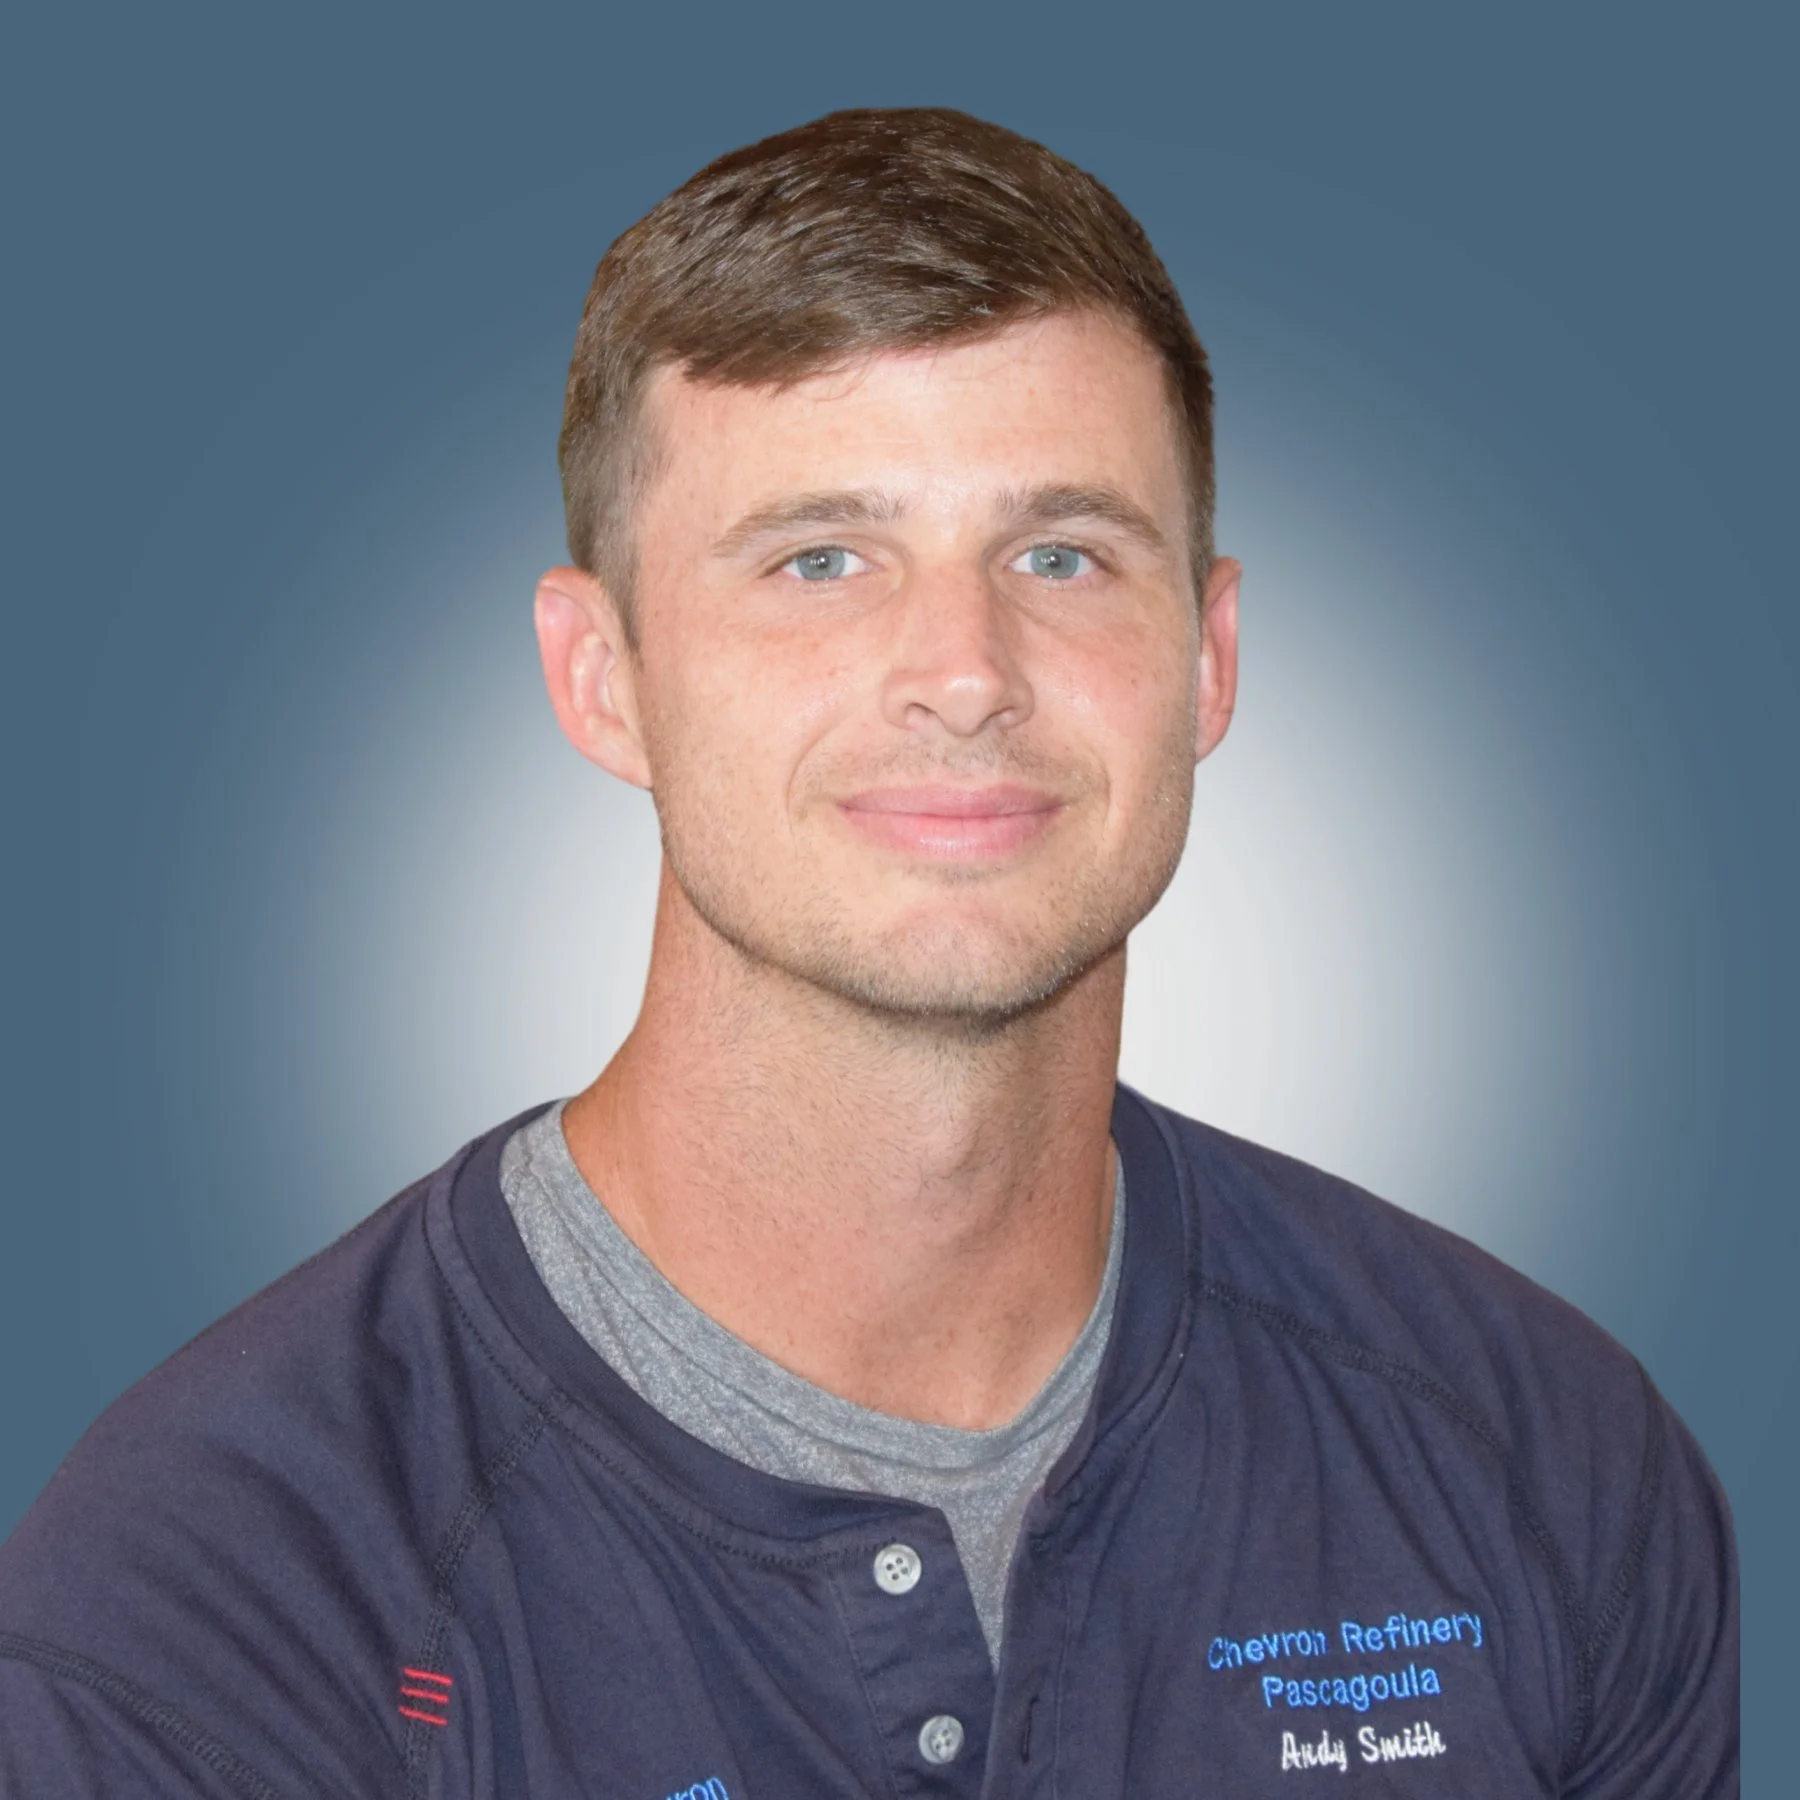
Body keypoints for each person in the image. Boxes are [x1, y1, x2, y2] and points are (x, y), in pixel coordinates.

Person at [0, 107, 1736, 1797]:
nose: (964, 668)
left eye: (1062, 553)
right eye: (821, 560)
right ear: (603, 677)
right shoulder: (217, 1590)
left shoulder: (1546, 1463)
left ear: (1207, 660)